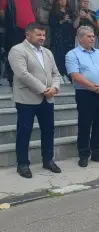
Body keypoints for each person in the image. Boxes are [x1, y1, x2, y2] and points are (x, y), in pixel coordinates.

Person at [8, 22, 61, 178]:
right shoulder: (17, 50)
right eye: (38, 35)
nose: (42, 38)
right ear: (28, 35)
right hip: (27, 99)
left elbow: (56, 74)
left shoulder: (48, 53)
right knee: (24, 132)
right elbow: (23, 74)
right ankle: (23, 164)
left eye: (43, 35)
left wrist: (55, 88)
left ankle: (48, 160)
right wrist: (44, 89)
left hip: (48, 99)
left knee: (48, 131)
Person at [66, 26, 99, 168]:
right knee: (85, 124)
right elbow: (75, 75)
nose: (92, 38)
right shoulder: (72, 54)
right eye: (88, 36)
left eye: (93, 36)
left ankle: (97, 153)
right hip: (85, 93)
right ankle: (84, 154)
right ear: (80, 38)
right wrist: (94, 87)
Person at [0, 0, 36, 87]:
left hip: (30, 28)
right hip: (14, 29)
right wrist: (9, 25)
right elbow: (2, 12)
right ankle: (14, 80)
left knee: (30, 55)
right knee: (14, 55)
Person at [48, 0, 76, 83]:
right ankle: (60, 74)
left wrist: (70, 21)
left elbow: (74, 25)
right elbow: (52, 24)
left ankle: (68, 75)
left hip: (69, 36)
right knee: (59, 55)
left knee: (69, 55)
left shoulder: (70, 11)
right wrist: (63, 20)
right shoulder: (53, 12)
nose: (63, 1)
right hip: (58, 36)